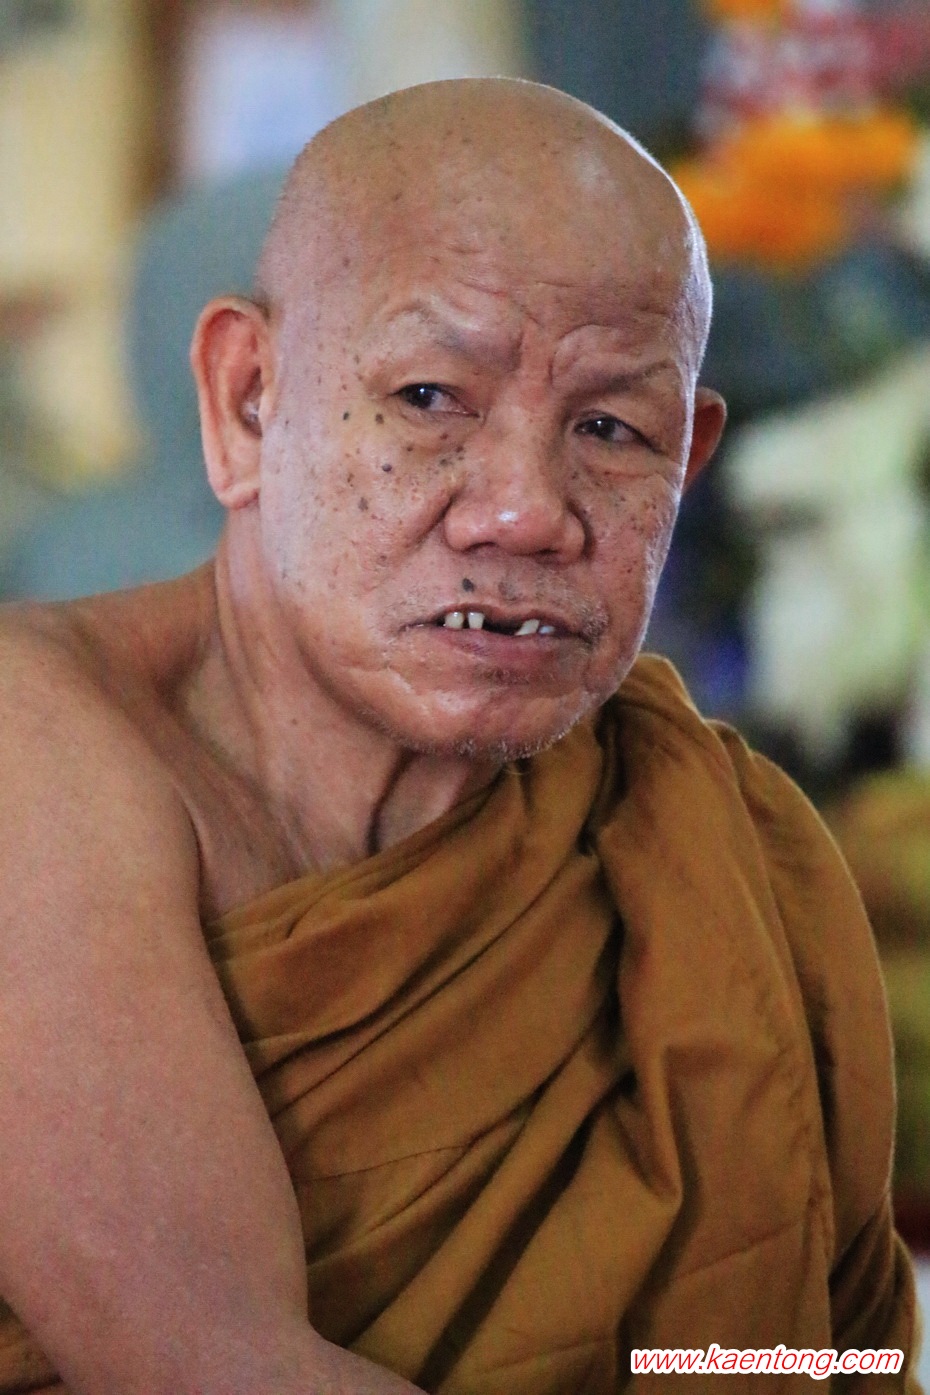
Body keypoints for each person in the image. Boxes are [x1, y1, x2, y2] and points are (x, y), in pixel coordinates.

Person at [0, 78, 920, 1395]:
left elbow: (800, 1355)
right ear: (247, 401)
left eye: (611, 428)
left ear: (687, 462)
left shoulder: (709, 853)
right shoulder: (36, 745)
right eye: (431, 396)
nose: (527, 511)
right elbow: (219, 1370)